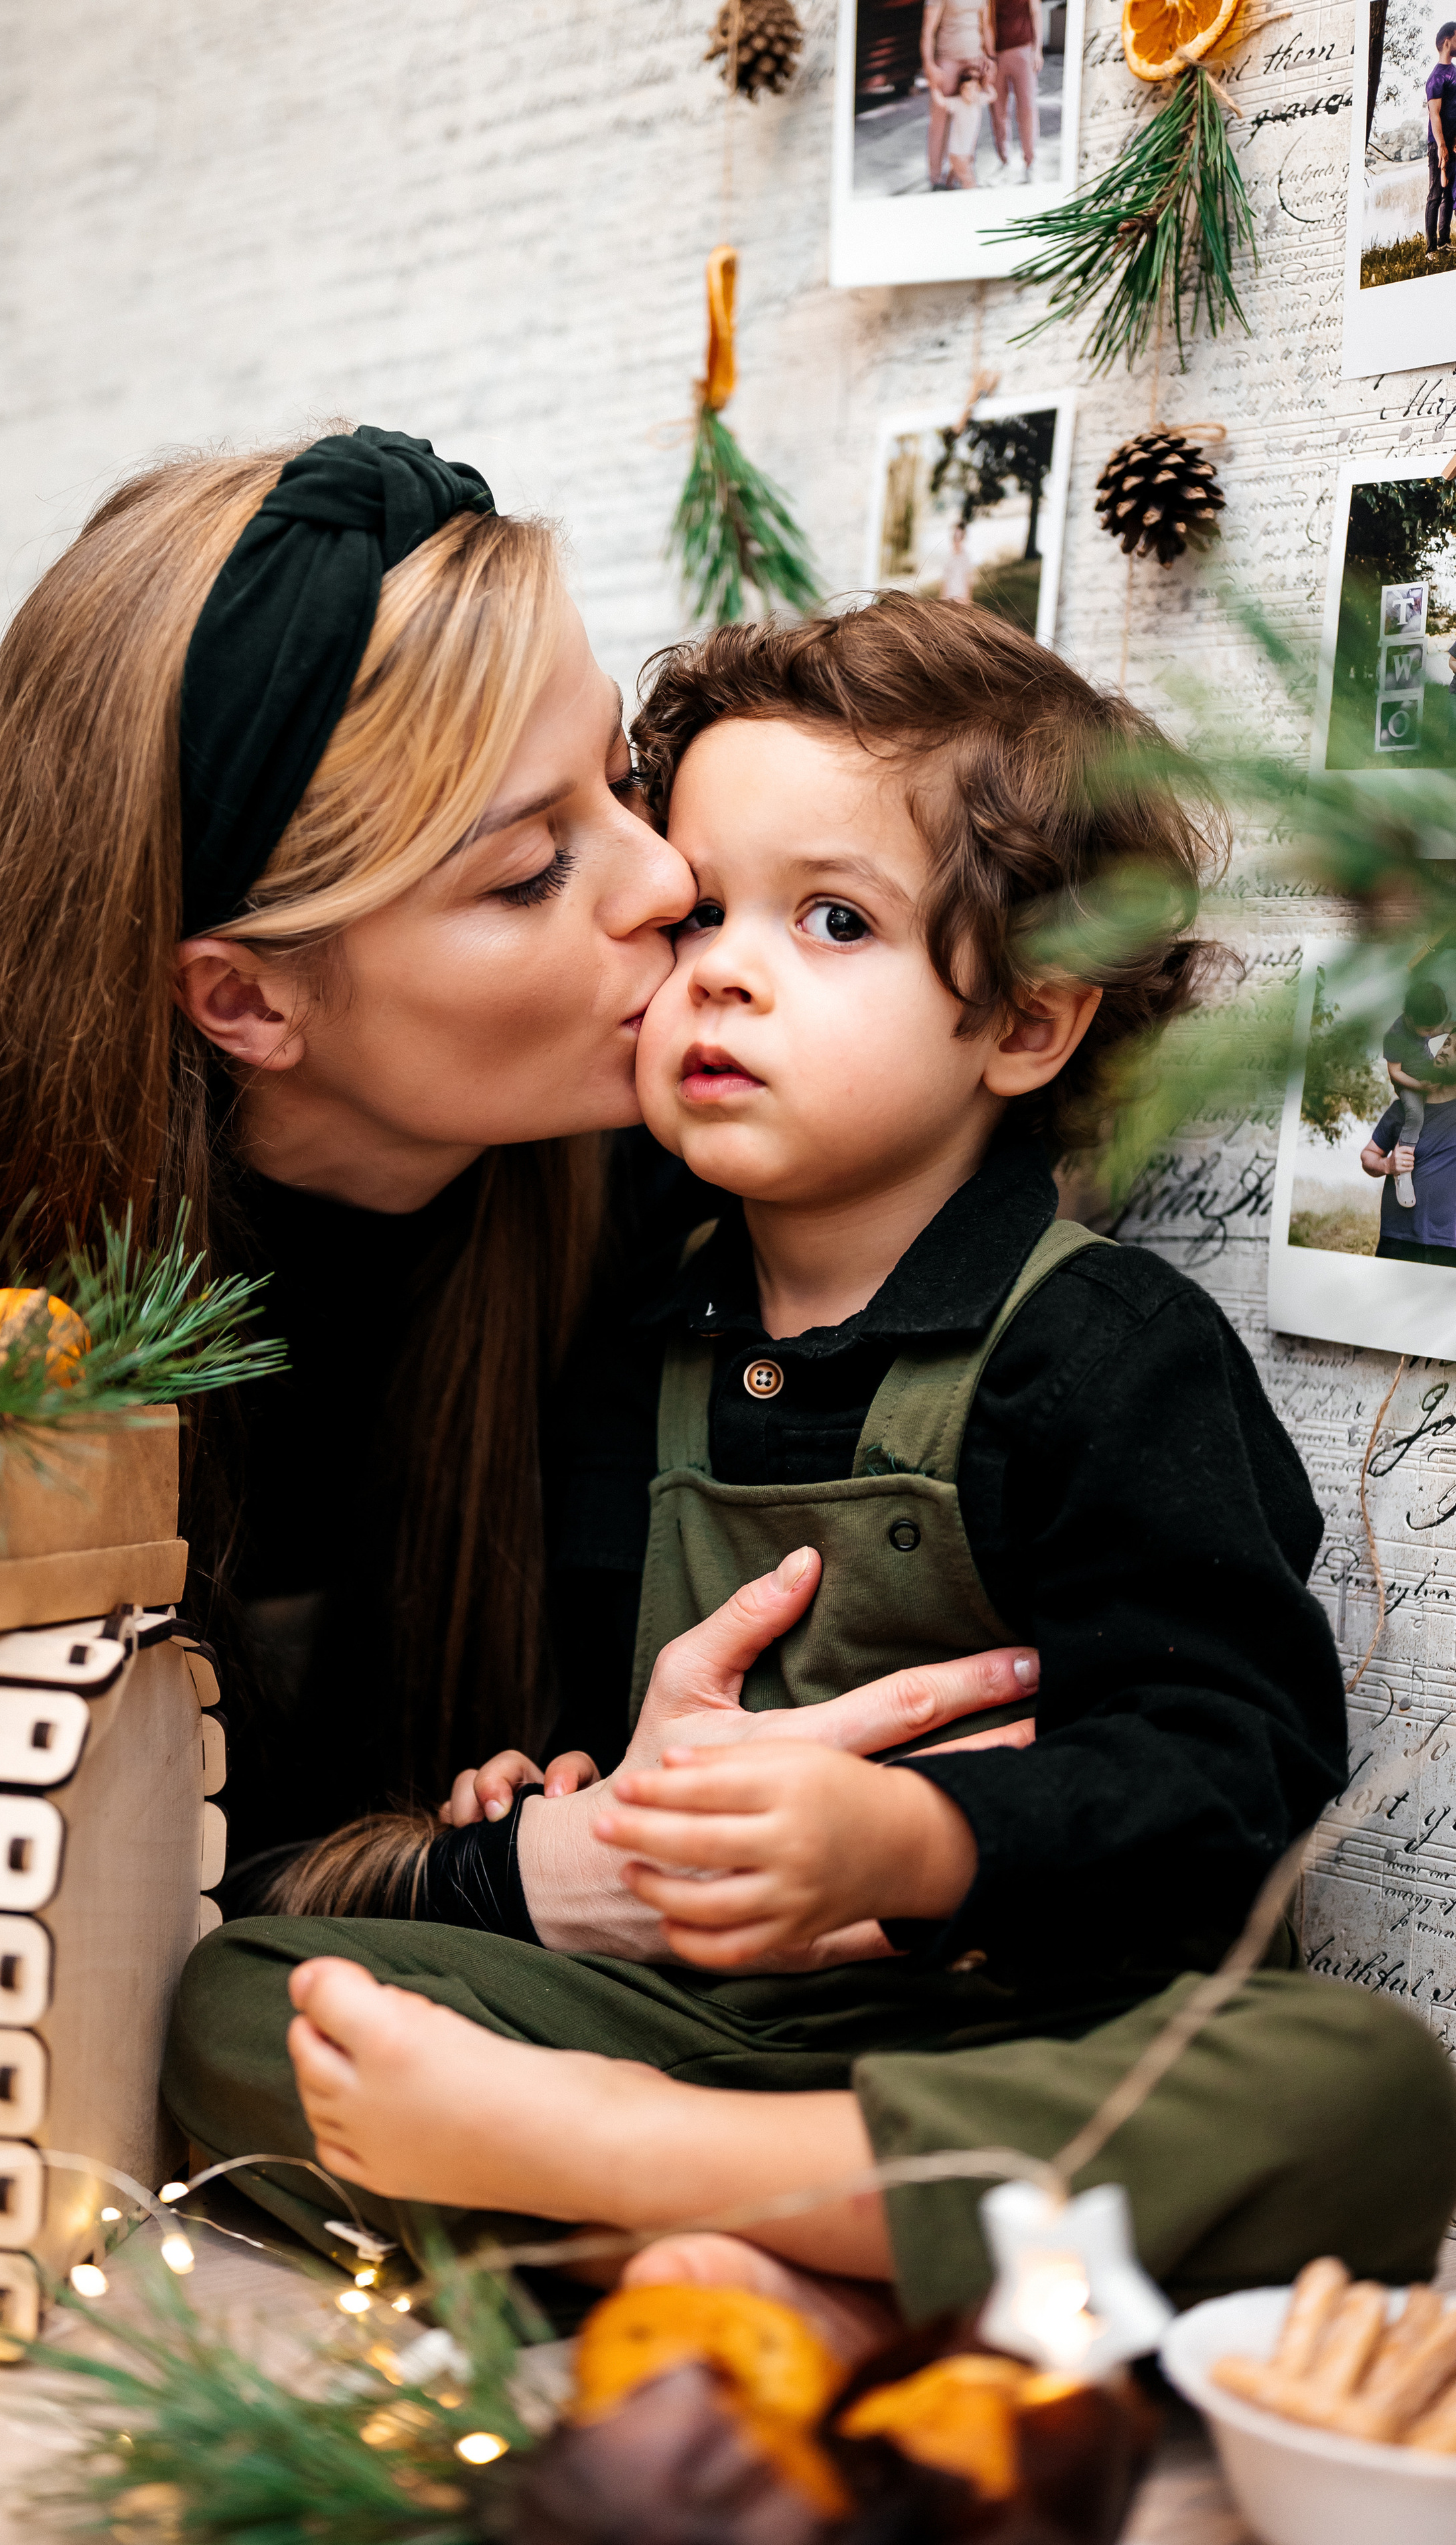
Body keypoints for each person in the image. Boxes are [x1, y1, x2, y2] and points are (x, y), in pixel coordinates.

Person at [165, 599, 1456, 2336]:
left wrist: (920, 1840)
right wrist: (539, 1807)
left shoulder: (1101, 1349)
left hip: (1027, 2034)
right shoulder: (626, 1334)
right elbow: (592, 1739)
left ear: (1024, 1026)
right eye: (698, 909)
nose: (721, 967)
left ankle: (636, 2191)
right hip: (711, 2024)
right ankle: (792, 2256)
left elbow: (1236, 1768)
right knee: (243, 2002)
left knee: (1363, 2087)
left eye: (832, 919)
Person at [0, 425, 1025, 1898]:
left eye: (621, 783)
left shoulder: (680, 1156)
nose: (668, 883)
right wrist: (498, 1884)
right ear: (243, 998)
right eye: (528, 871)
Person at [1364, 1039, 1456, 1265]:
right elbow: (1368, 1156)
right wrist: (1387, 1165)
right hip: (1397, 1240)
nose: (1446, 1049)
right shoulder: (1402, 1109)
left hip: (1449, 1245)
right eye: (1447, 1042)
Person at [1376, 974, 1456, 1207]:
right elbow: (1395, 1074)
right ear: (1410, 1019)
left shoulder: (1425, 1021)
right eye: (1428, 1029)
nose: (1433, 1032)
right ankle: (1404, 1171)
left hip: (1425, 1071)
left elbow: (1443, 1027)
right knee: (1416, 1115)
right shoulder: (1394, 1037)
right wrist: (1419, 1086)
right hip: (1408, 1083)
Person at [921, 0, 993, 188]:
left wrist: (989, 56)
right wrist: (929, 65)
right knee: (940, 118)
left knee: (970, 120)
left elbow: (984, 25)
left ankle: (964, 173)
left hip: (974, 61)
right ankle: (936, 177)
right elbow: (928, 30)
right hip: (948, 60)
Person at [989, 0, 1041, 181]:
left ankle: (1030, 159)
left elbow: (1036, 12)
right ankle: (1004, 158)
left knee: (1027, 108)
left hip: (1024, 49)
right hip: (997, 55)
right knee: (998, 110)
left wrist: (1038, 50)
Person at [930, 70, 997, 189]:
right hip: (958, 152)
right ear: (961, 90)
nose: (971, 93)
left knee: (957, 174)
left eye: (975, 88)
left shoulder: (978, 100)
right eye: (967, 89)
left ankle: (949, 187)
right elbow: (941, 102)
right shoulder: (958, 103)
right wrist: (934, 87)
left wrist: (987, 84)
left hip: (969, 150)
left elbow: (992, 96)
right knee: (969, 182)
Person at [1428, 22, 1456, 266]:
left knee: (1449, 194)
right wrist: (1442, 146)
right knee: (1436, 193)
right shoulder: (1437, 76)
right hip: (1438, 144)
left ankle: (1444, 241)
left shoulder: (1454, 72)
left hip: (1453, 143)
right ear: (1448, 41)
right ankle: (1430, 248)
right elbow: (1434, 114)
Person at [939, 518, 975, 602]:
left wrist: (968, 599)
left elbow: (969, 580)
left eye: (960, 538)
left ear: (963, 539)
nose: (957, 542)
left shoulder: (966, 558)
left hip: (962, 598)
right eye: (955, 538)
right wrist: (942, 598)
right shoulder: (948, 557)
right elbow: (945, 580)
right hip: (948, 598)